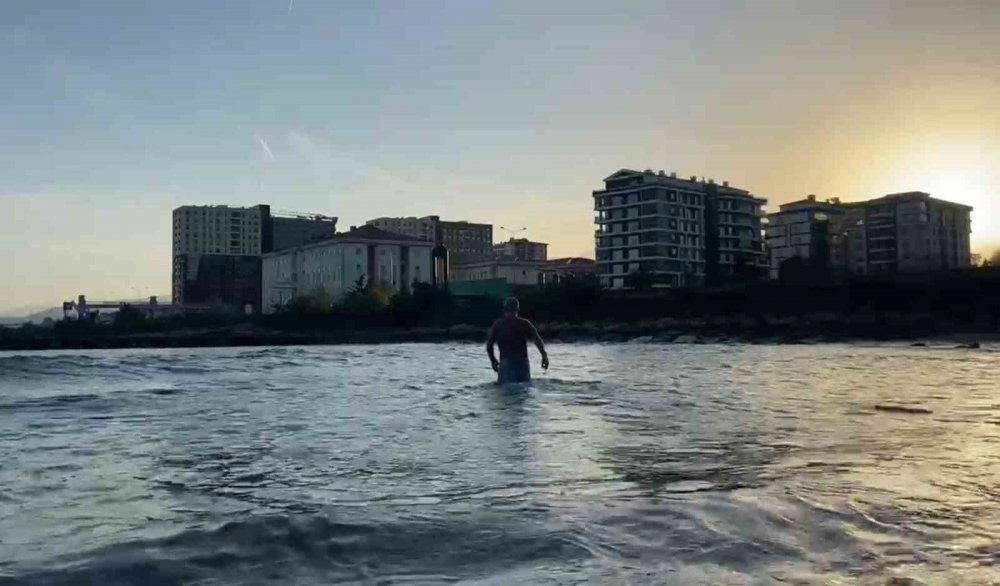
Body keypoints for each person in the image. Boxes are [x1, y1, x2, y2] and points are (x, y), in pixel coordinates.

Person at [486, 297, 549, 384]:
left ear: (504, 309)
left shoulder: (498, 324)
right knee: (523, 391)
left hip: (506, 363)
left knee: (505, 391)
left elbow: (489, 346)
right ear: (517, 309)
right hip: (522, 363)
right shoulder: (524, 323)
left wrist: (493, 361)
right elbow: (537, 340)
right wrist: (544, 356)